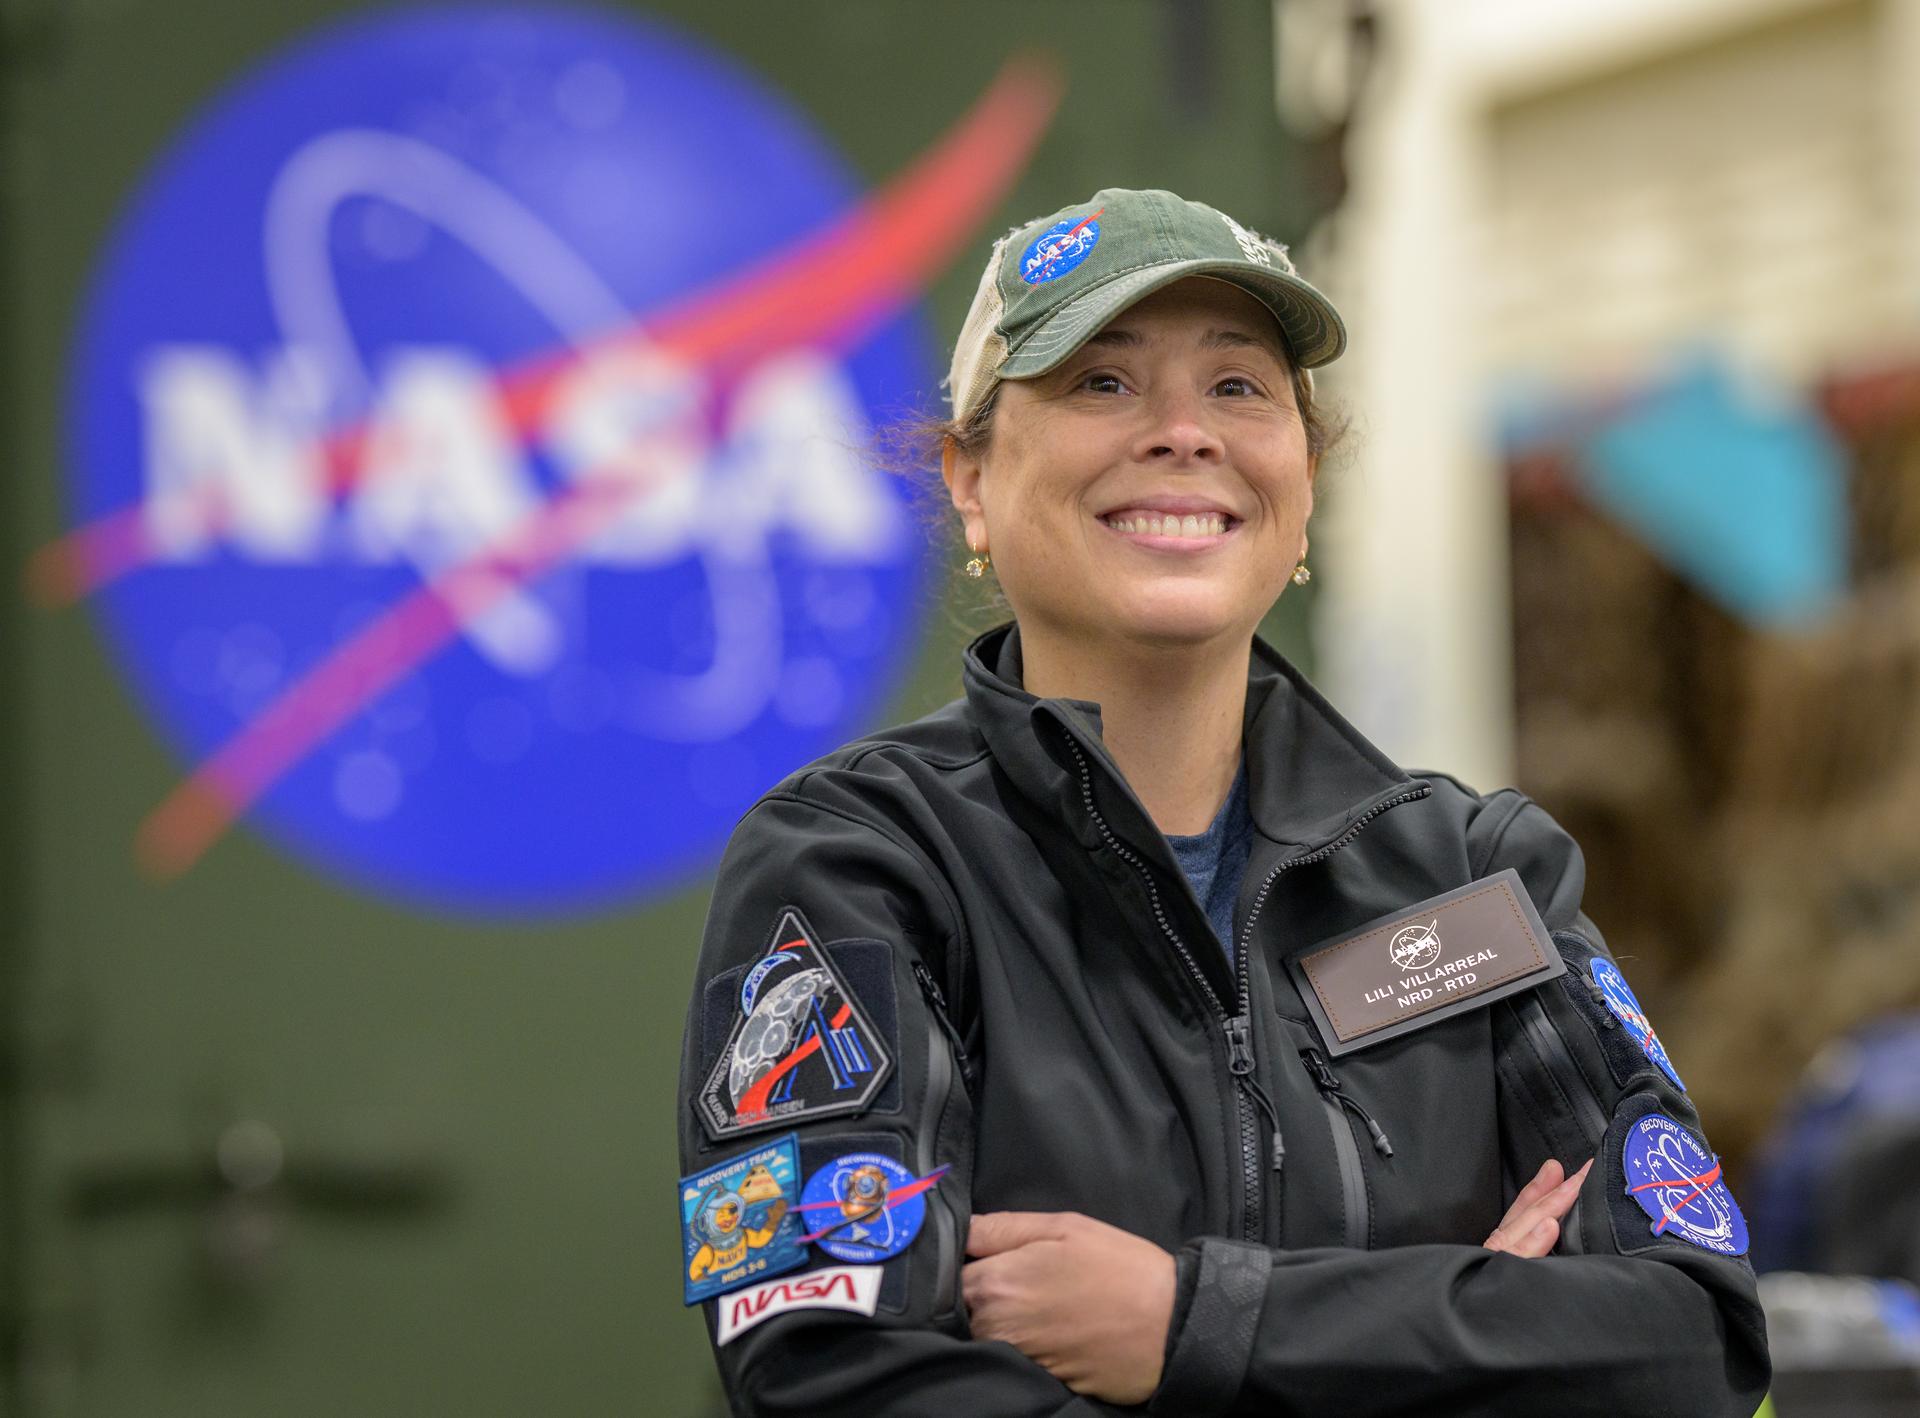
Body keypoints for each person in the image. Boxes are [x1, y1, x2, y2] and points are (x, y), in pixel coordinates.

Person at [676, 187, 1771, 1415]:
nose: (1183, 432)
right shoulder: (858, 868)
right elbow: (835, 1375)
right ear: (971, 480)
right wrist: (1451, 1332)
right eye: (1102, 382)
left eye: (1240, 387)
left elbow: (1690, 1342)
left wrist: (1193, 1323)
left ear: (1302, 484)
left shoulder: (1476, 872)